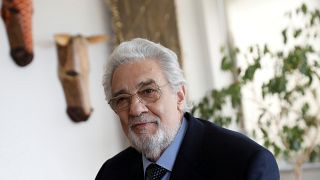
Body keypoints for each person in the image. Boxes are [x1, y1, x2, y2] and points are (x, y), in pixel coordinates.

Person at [96, 38, 280, 180]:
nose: (135, 110)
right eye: (122, 99)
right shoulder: (111, 174)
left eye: (148, 91)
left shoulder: (245, 164)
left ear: (180, 95)